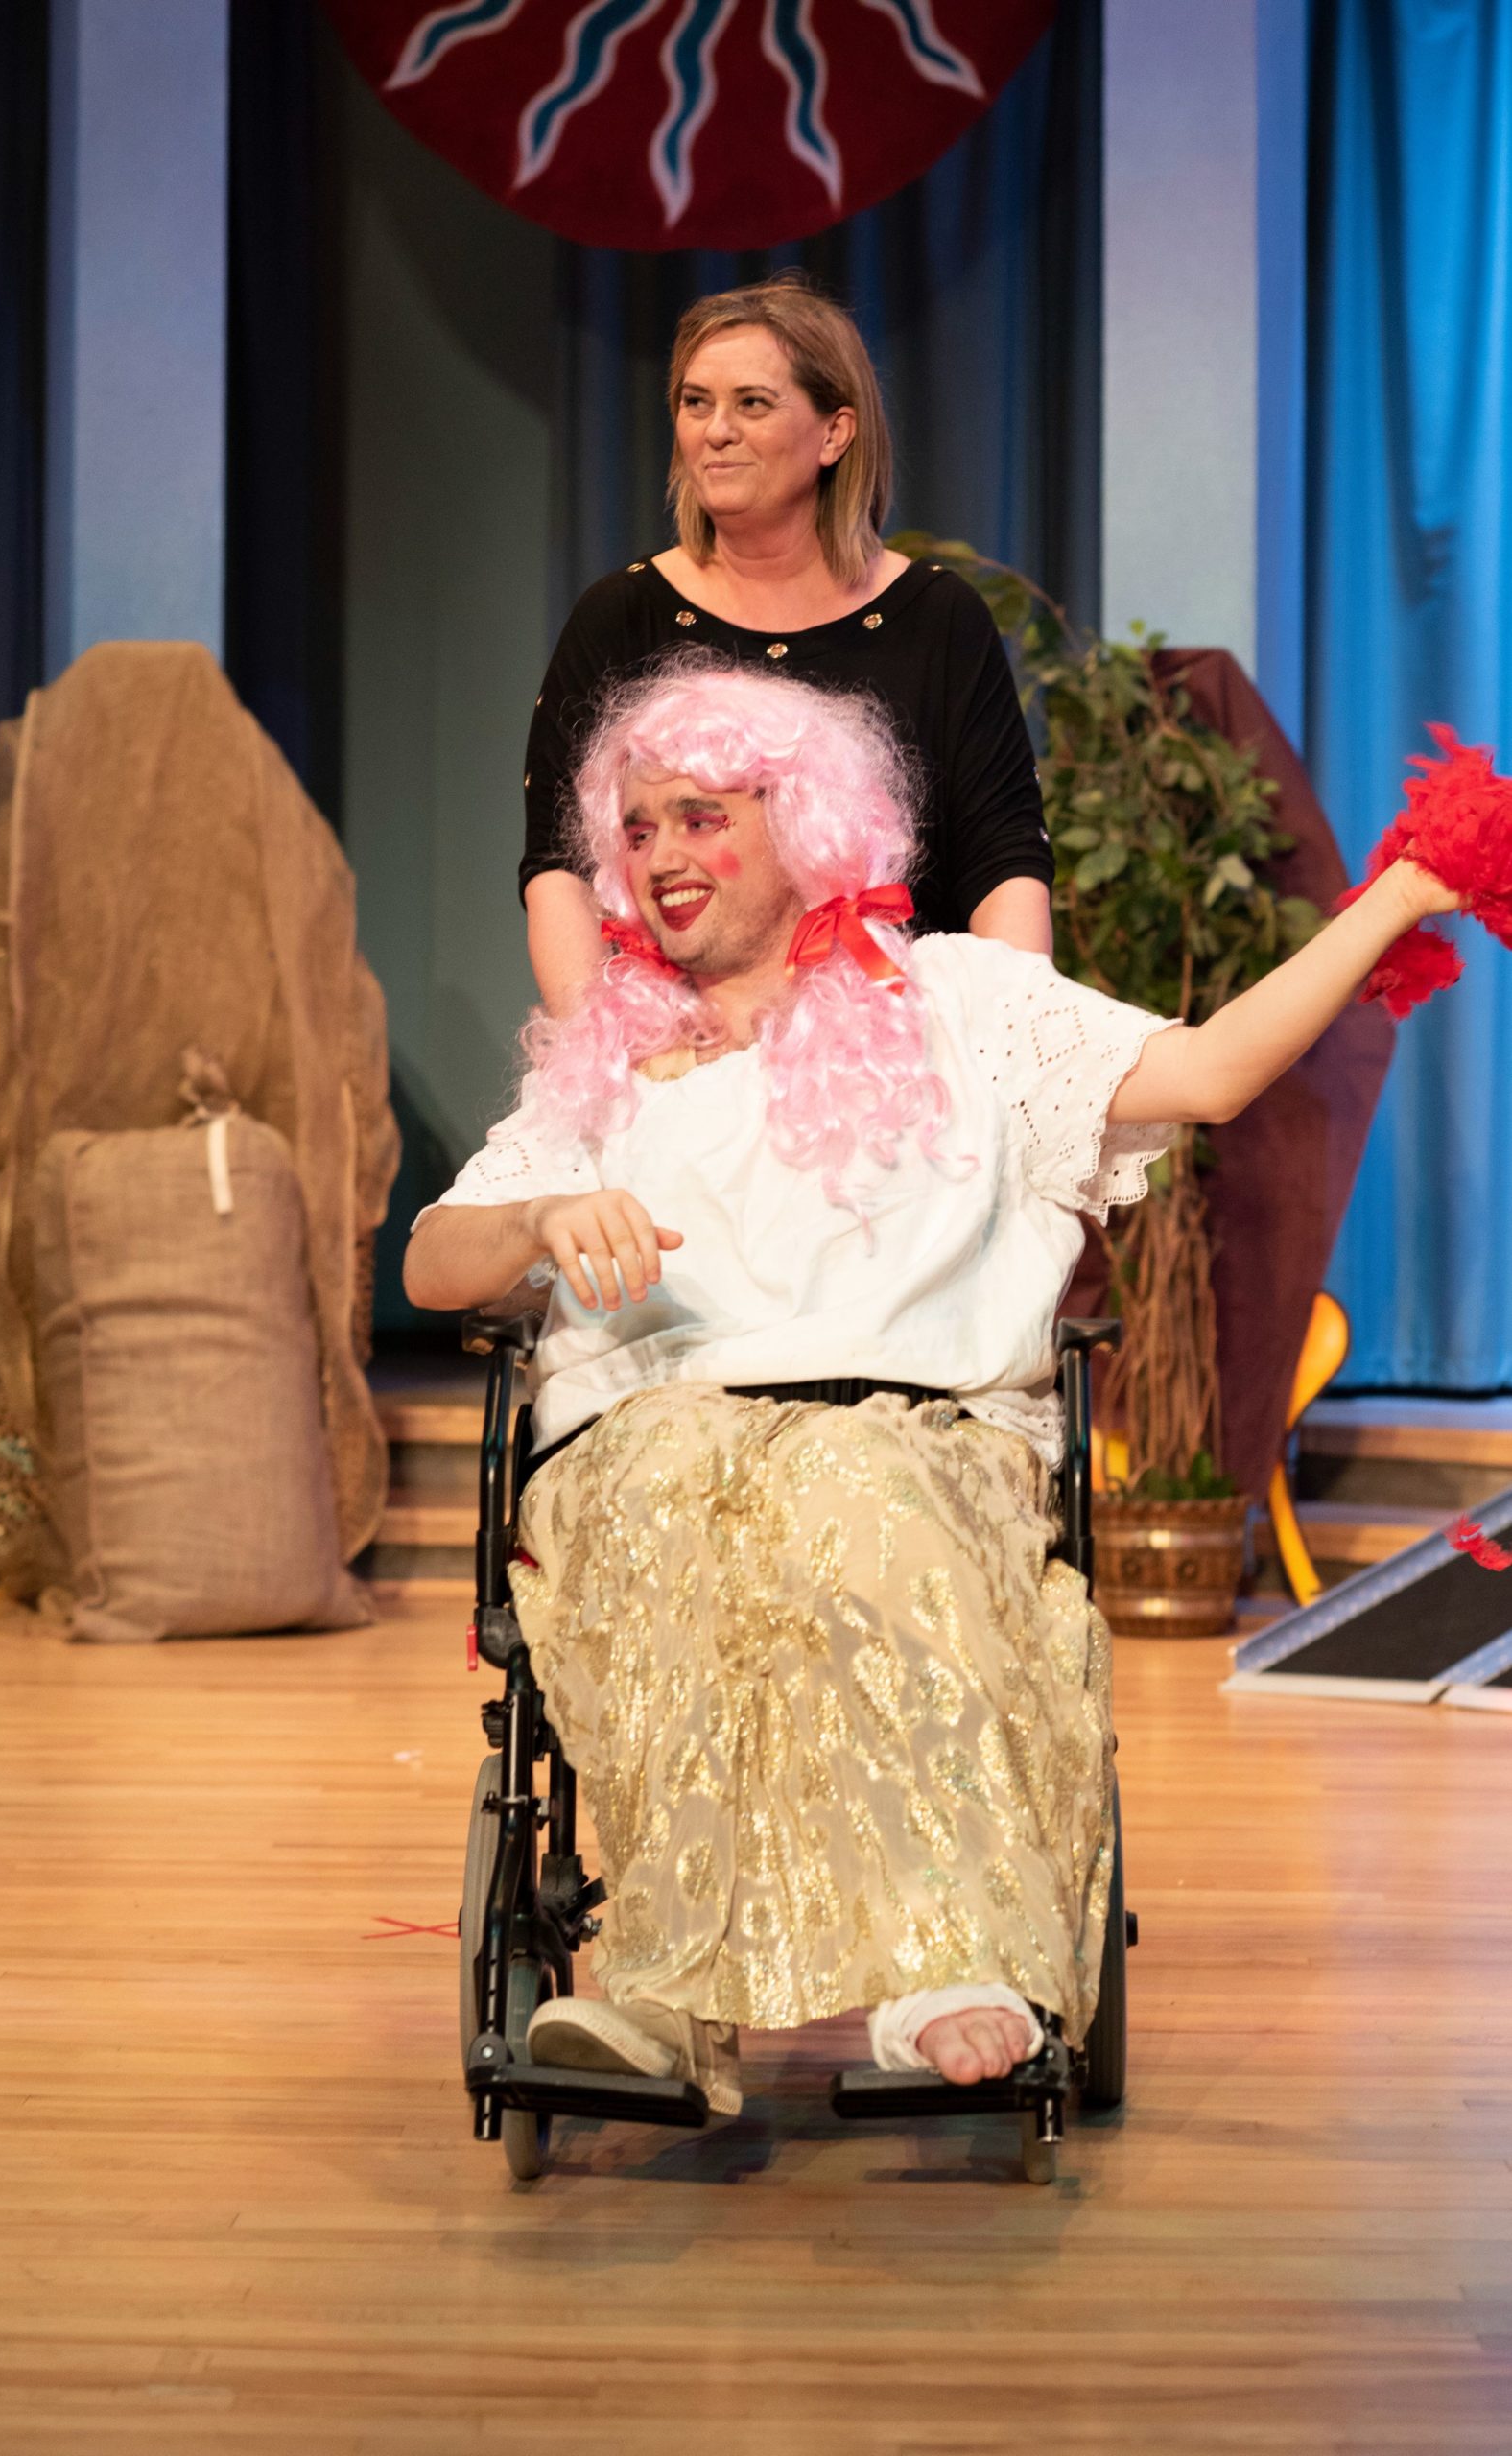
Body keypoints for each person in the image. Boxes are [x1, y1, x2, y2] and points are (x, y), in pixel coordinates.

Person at [408, 664, 1455, 2114]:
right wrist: (532, 1224)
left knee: (847, 1494)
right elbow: (433, 1262)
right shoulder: (606, 1063)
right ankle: (659, 2000)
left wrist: (1394, 896)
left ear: (803, 823)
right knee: (664, 1510)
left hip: (912, 1428)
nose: (659, 859)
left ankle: (952, 1956)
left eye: (700, 818)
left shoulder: (960, 1002)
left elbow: (1210, 1073)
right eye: (636, 831)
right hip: (648, 1432)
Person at [523, 274, 1053, 1015]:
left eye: (752, 403)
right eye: (694, 402)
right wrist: (607, 1064)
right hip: (676, 1066)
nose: (715, 431)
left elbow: (1003, 868)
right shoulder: (620, 617)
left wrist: (1004, 1046)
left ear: (834, 433)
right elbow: (560, 870)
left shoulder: (937, 620)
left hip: (895, 1065)